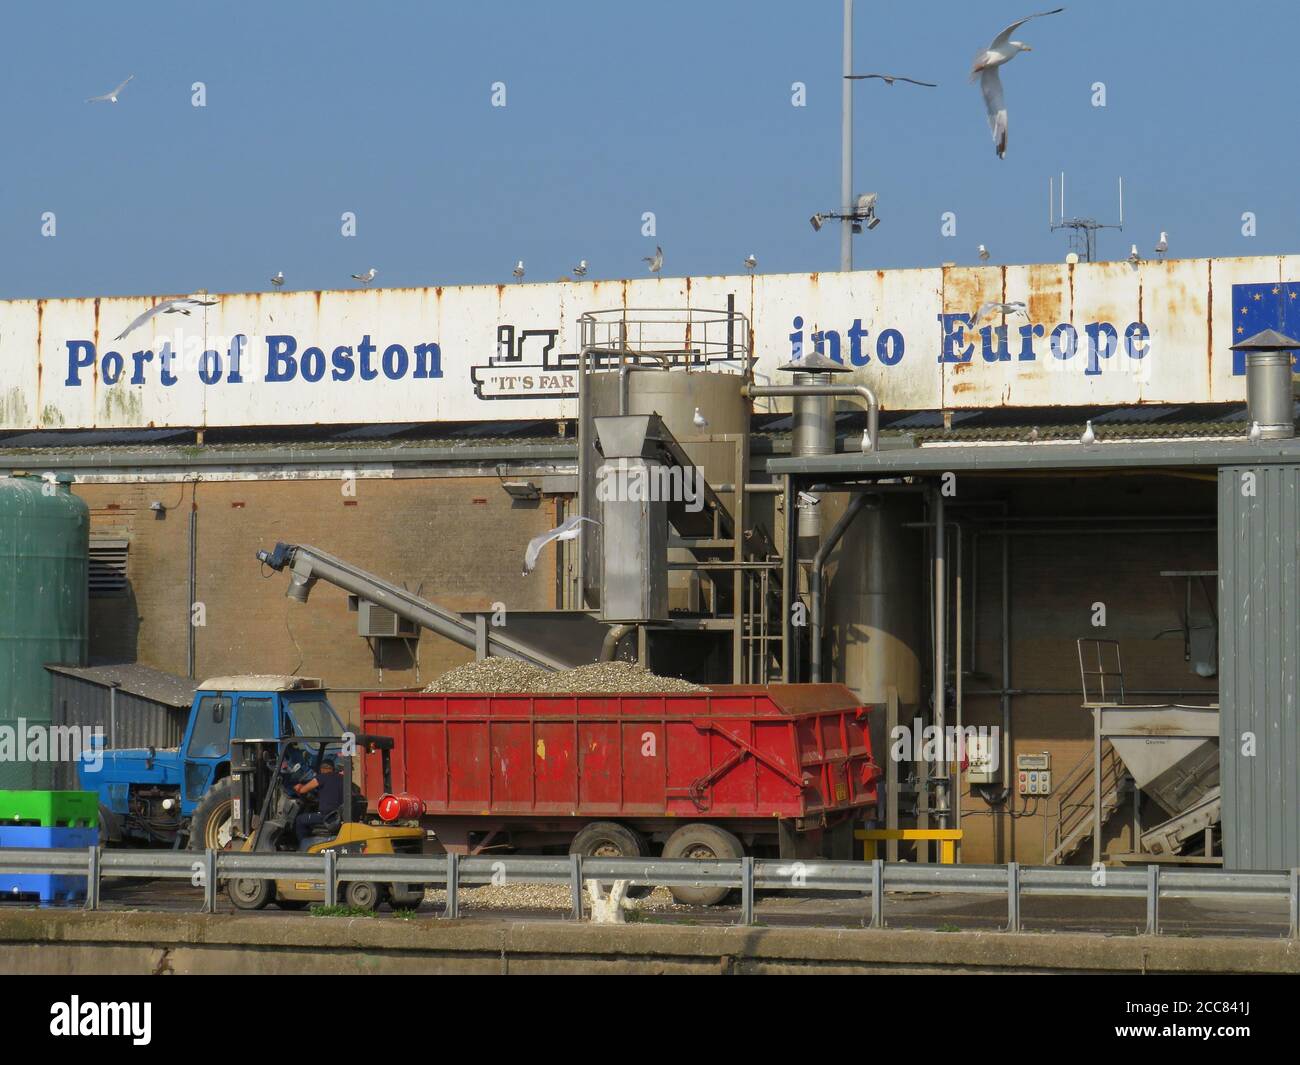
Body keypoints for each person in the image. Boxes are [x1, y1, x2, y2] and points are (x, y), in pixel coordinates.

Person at [293, 758, 346, 845]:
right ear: (333, 768)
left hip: (326, 816)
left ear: (322, 769)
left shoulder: (321, 777)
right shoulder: (342, 778)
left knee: (300, 820)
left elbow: (302, 790)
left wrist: (297, 787)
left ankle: (304, 845)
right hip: (338, 815)